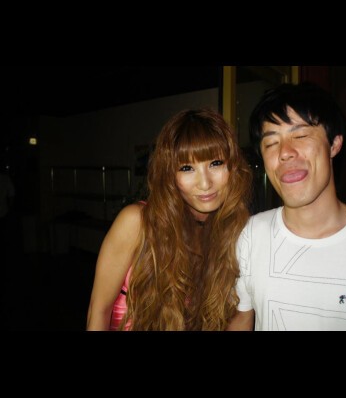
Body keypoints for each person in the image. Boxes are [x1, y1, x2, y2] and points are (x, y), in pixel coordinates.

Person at [228, 82, 346, 331]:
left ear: (334, 144)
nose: (285, 152)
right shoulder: (251, 234)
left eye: (300, 136)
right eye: (271, 143)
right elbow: (241, 320)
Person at [86, 108, 252, 331]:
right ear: (169, 175)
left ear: (232, 167)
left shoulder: (234, 232)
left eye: (215, 163)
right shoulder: (137, 222)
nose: (205, 183)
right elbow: (99, 310)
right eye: (187, 168)